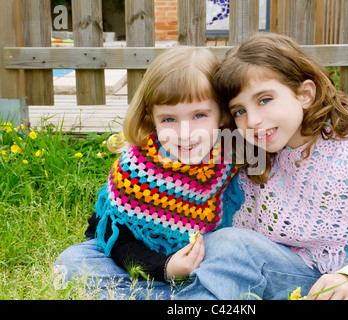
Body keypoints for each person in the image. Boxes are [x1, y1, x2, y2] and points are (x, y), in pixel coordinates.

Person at [174, 32, 348, 300]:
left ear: (304, 94)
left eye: (264, 99)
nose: (253, 120)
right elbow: (230, 239)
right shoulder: (252, 153)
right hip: (296, 277)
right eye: (239, 111)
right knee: (226, 242)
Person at [54, 46, 238, 300]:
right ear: (151, 117)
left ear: (222, 112)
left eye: (199, 115)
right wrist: (165, 268)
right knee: (73, 261)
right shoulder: (137, 169)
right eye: (169, 119)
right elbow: (115, 240)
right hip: (143, 261)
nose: (185, 132)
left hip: (206, 260)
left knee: (236, 257)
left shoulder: (232, 159)